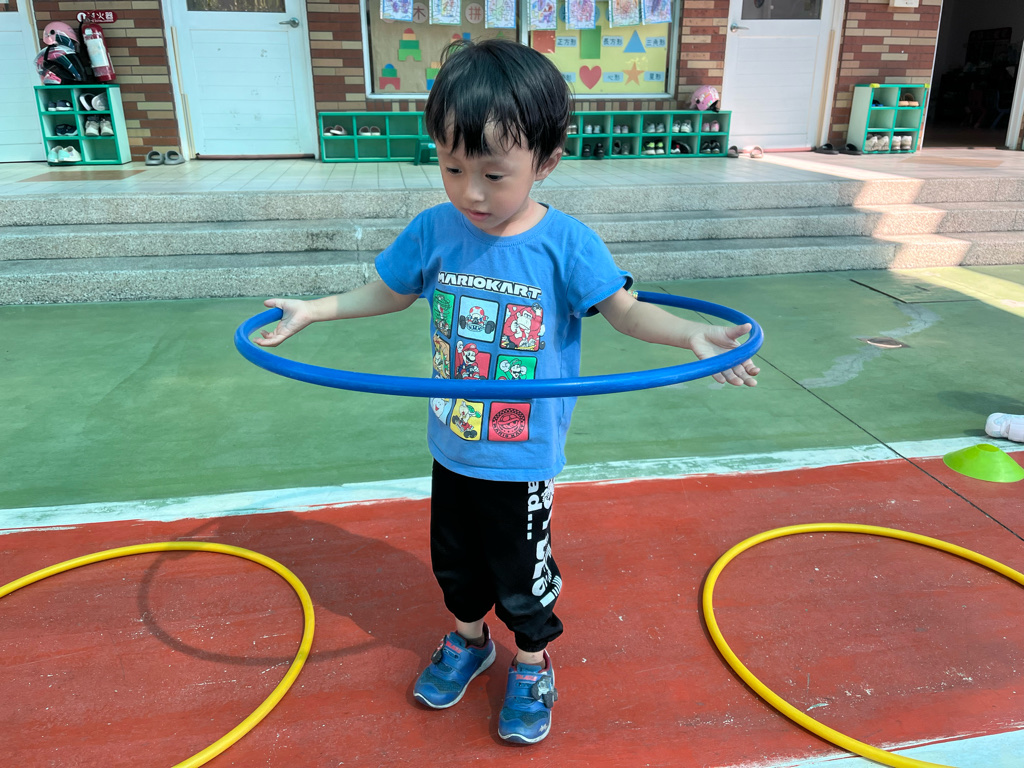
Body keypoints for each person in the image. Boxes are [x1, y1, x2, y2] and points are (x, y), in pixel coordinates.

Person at [254, 38, 759, 744]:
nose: (471, 193)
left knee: (522, 576)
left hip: (522, 457)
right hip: (454, 442)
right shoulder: (435, 229)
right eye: (453, 167)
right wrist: (315, 309)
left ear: (545, 161)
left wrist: (691, 337)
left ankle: (530, 660)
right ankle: (470, 640)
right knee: (455, 565)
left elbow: (626, 312)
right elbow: (388, 291)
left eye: (494, 174)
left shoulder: (566, 244)